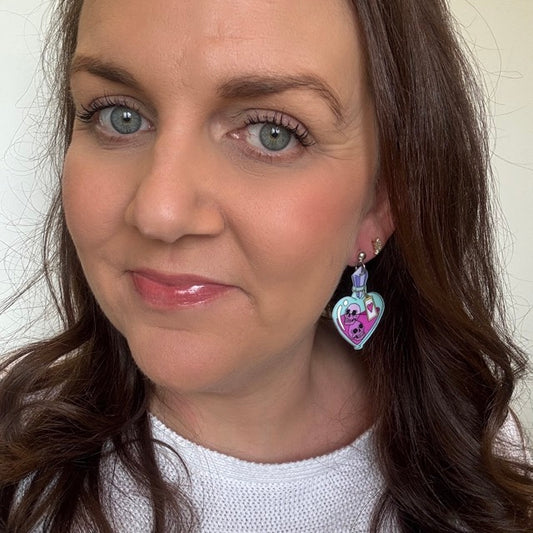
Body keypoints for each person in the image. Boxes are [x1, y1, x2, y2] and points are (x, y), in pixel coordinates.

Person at [1, 0, 532, 531]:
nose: (160, 212)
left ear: (379, 203)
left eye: (270, 133)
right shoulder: (16, 469)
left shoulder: (479, 449)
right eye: (119, 115)